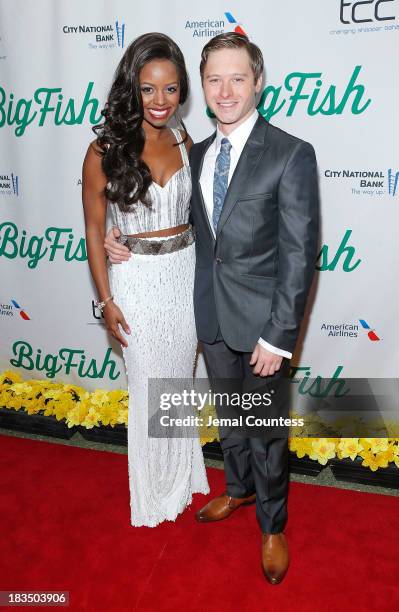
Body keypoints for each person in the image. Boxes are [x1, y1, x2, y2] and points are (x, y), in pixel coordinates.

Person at [104, 32, 319, 583]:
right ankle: (239, 490)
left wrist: (280, 335)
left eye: (237, 78)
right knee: (230, 418)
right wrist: (118, 237)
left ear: (258, 83)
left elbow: (299, 256)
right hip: (210, 315)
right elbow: (181, 225)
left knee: (266, 429)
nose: (225, 91)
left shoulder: (291, 153)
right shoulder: (192, 151)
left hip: (264, 326)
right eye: (214, 79)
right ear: (202, 85)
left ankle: (272, 526)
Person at [81, 32, 209, 528]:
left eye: (171, 89)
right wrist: (106, 298)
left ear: (182, 92)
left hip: (184, 276)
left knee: (177, 383)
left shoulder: (184, 139)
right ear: (130, 88)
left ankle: (181, 477)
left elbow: (200, 214)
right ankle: (154, 491)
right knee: (148, 384)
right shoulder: (103, 149)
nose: (160, 101)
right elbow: (94, 229)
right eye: (149, 89)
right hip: (136, 282)